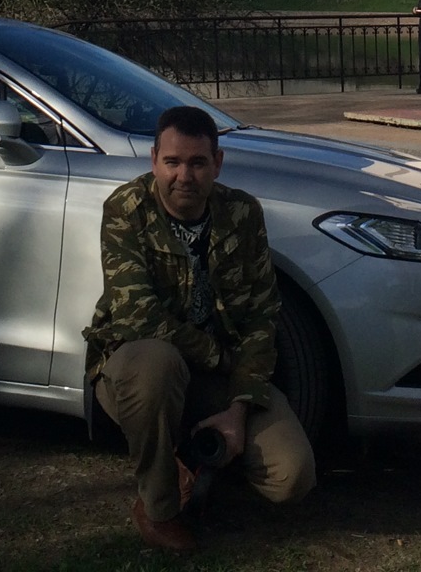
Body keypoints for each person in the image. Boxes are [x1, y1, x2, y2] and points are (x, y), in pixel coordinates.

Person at [85, 104, 317, 553]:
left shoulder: (243, 215)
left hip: (218, 378)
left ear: (217, 163)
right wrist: (217, 357)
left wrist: (240, 407)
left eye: (197, 162)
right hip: (138, 367)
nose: (183, 176)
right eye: (172, 162)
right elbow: (139, 317)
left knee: (292, 476)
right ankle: (159, 506)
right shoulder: (126, 209)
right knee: (157, 362)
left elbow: (262, 317)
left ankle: (196, 456)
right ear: (154, 160)